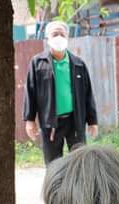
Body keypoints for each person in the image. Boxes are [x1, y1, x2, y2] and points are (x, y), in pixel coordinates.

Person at [23, 21, 98, 164]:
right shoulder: (38, 63)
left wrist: (92, 121)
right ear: (48, 38)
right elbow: (30, 93)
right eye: (55, 34)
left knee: (79, 163)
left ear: (67, 37)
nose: (59, 37)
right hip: (50, 123)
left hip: (75, 121)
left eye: (62, 34)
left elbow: (88, 95)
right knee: (53, 165)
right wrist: (30, 120)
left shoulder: (78, 64)